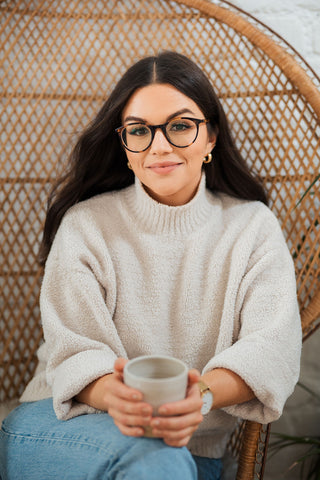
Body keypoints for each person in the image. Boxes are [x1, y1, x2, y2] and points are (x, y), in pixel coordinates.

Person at [0, 51, 302, 480]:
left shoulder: (252, 227)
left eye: (180, 126)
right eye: (139, 130)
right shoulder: (88, 224)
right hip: (63, 426)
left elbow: (271, 349)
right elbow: (75, 352)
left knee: (162, 461)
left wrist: (197, 396)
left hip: (188, 451)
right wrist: (117, 397)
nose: (159, 145)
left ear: (211, 137)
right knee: (154, 460)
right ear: (124, 145)